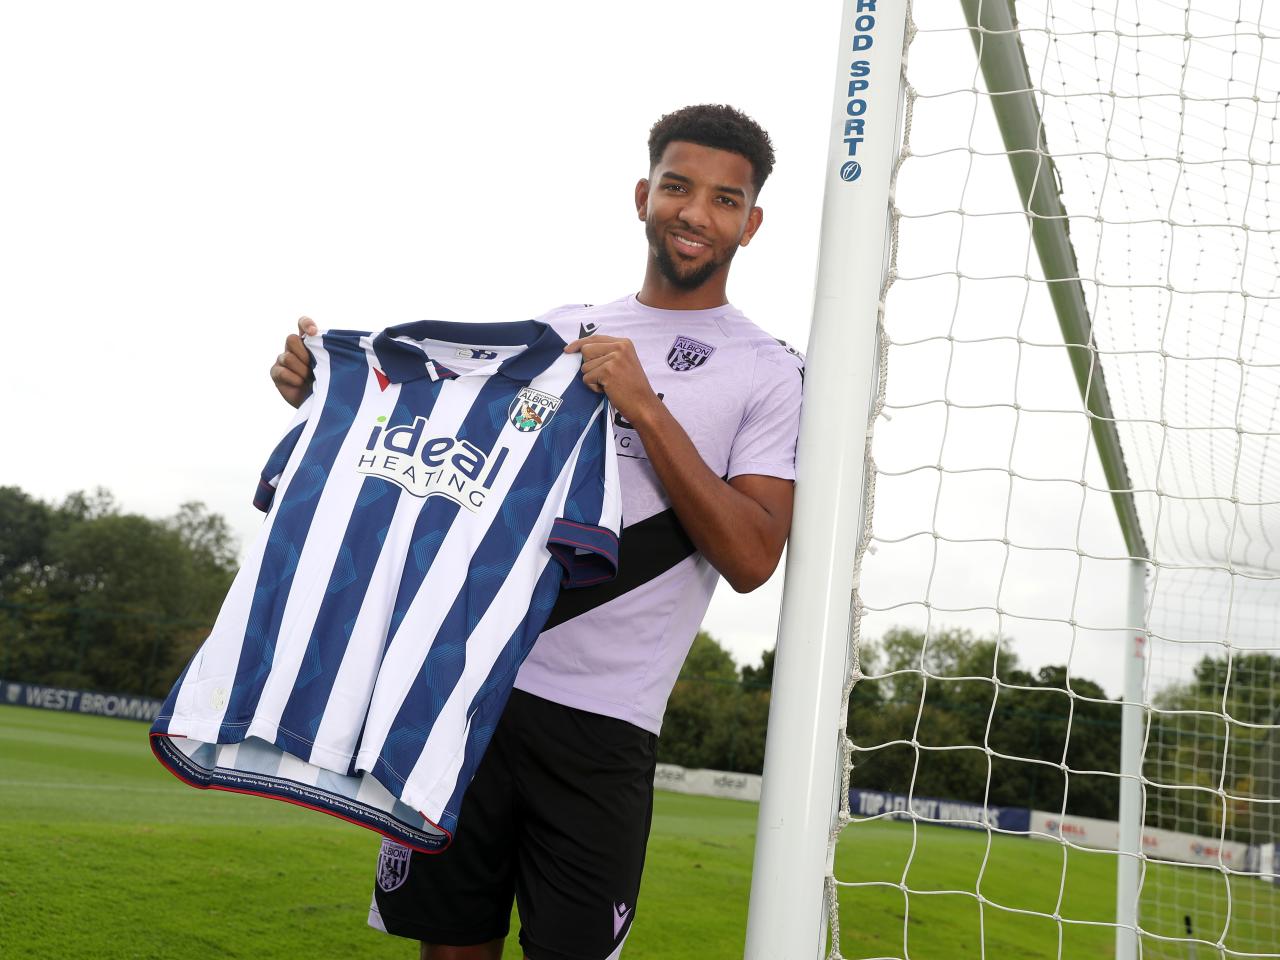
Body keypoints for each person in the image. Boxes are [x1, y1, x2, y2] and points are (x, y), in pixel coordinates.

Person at [269, 103, 804, 960]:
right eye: (677, 187)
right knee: (448, 946)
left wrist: (644, 408)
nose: (696, 213)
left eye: (724, 199)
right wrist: (334, 401)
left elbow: (750, 556)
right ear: (643, 195)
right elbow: (448, 456)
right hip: (469, 685)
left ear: (752, 221)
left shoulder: (769, 371)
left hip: (604, 724)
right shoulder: (561, 331)